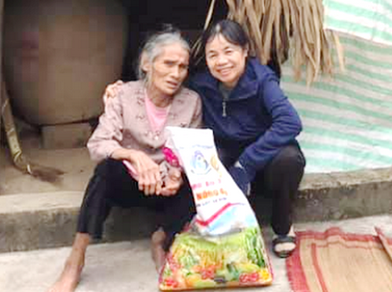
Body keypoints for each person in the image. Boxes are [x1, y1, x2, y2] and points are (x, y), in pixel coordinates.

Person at [103, 19, 306, 258]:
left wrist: (247, 163)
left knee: (289, 159)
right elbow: (162, 83)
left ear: (245, 51)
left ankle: (283, 224)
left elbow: (290, 122)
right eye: (213, 55)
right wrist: (121, 89)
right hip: (226, 156)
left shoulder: (263, 80)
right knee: (201, 158)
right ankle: (220, 225)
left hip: (264, 156)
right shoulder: (201, 82)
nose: (221, 62)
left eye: (229, 51)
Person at [44, 29, 201, 292]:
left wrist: (177, 175)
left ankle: (160, 239)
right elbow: (98, 144)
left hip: (166, 190)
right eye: (168, 64)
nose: (176, 73)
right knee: (105, 171)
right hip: (131, 183)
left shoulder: (191, 102)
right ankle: (76, 259)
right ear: (146, 63)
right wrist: (132, 155)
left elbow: (191, 149)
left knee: (200, 178)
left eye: (182, 67)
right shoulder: (123, 95)